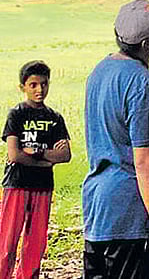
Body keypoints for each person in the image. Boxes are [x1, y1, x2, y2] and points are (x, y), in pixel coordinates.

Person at [82, 0, 149, 278]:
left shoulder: (99, 71)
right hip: (130, 213)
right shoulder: (144, 83)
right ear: (148, 43)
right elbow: (143, 160)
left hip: (97, 210)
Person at [1, 60, 70, 279]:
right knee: (7, 243)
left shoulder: (55, 118)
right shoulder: (17, 115)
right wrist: (47, 158)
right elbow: (15, 155)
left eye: (44, 84)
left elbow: (65, 155)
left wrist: (36, 153)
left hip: (43, 187)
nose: (40, 90)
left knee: (35, 245)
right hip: (17, 185)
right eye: (33, 85)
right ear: (23, 87)